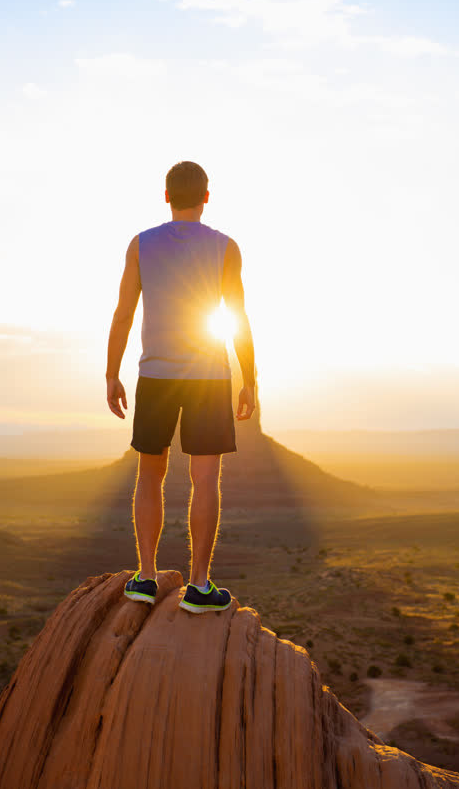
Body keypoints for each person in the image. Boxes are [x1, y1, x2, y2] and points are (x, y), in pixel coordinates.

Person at [105, 161, 256, 614]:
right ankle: (199, 586)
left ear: (165, 196)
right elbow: (238, 319)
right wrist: (251, 380)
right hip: (209, 378)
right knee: (205, 479)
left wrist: (112, 373)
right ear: (206, 196)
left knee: (149, 474)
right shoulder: (226, 247)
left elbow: (123, 314)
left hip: (155, 375)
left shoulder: (141, 244)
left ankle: (146, 577)